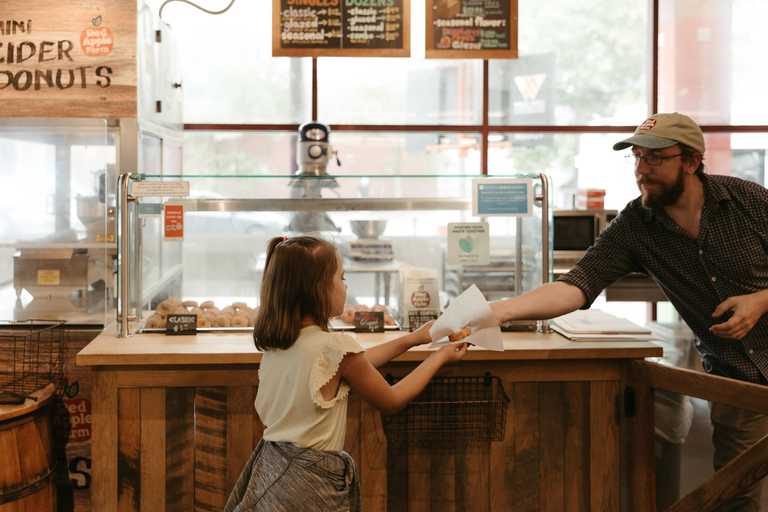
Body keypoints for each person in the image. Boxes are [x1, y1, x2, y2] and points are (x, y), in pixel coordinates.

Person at [489, 112, 768, 511]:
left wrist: (761, 300)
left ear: (691, 162)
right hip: (737, 379)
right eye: (637, 158)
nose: (642, 170)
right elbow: (576, 284)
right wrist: (497, 310)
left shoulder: (750, 201)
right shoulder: (635, 225)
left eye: (655, 159)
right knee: (736, 496)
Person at [224, 235, 467, 512]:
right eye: (342, 278)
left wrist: (413, 339)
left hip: (273, 470)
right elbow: (392, 399)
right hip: (311, 487)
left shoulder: (278, 345)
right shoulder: (334, 349)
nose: (345, 286)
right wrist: (440, 356)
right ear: (319, 289)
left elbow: (354, 365)